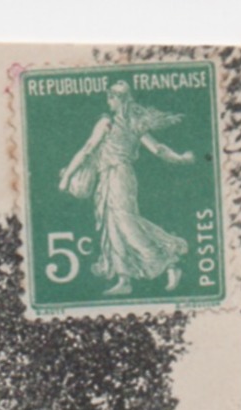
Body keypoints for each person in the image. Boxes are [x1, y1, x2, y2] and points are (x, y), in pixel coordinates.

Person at [58, 80, 195, 296]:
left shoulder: (108, 122)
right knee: (113, 225)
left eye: (111, 97)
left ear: (117, 99)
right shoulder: (133, 123)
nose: (108, 101)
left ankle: (168, 261)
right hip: (112, 177)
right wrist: (180, 158)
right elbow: (158, 149)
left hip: (118, 175)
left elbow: (87, 149)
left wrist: (66, 176)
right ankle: (124, 279)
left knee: (126, 222)